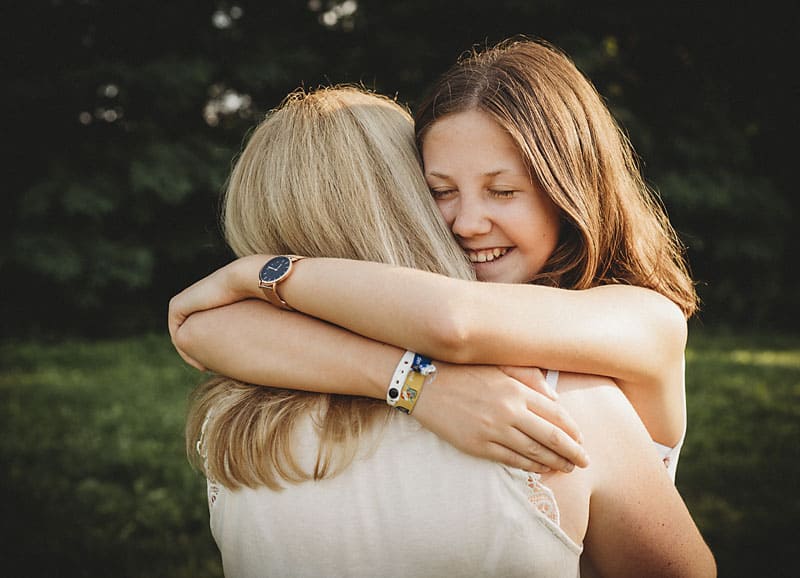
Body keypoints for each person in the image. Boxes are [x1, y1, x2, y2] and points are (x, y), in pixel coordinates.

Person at [174, 45, 715, 577]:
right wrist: (417, 386)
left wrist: (264, 273)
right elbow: (204, 329)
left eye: (503, 191)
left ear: (569, 193)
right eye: (438, 192)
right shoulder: (448, 347)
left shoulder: (642, 321)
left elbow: (458, 323)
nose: (466, 223)